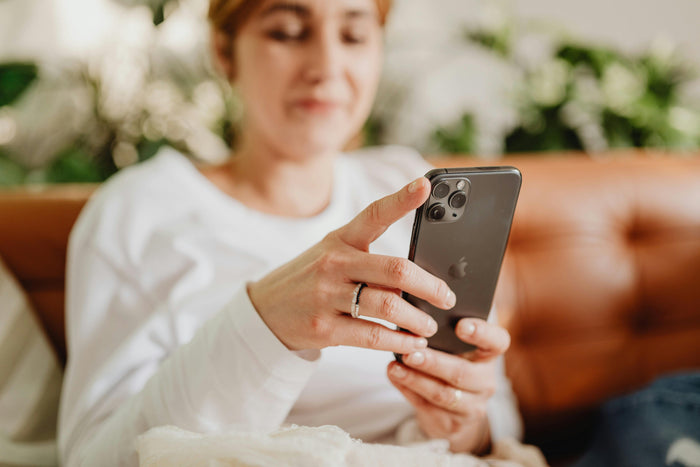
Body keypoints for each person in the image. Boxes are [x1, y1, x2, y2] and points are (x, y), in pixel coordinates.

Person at [57, 0, 522, 465]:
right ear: (224, 50)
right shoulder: (138, 211)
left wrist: (463, 425)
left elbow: (494, 419)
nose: (327, 67)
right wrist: (266, 324)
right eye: (287, 32)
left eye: (354, 36)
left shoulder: (407, 185)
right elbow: (93, 457)